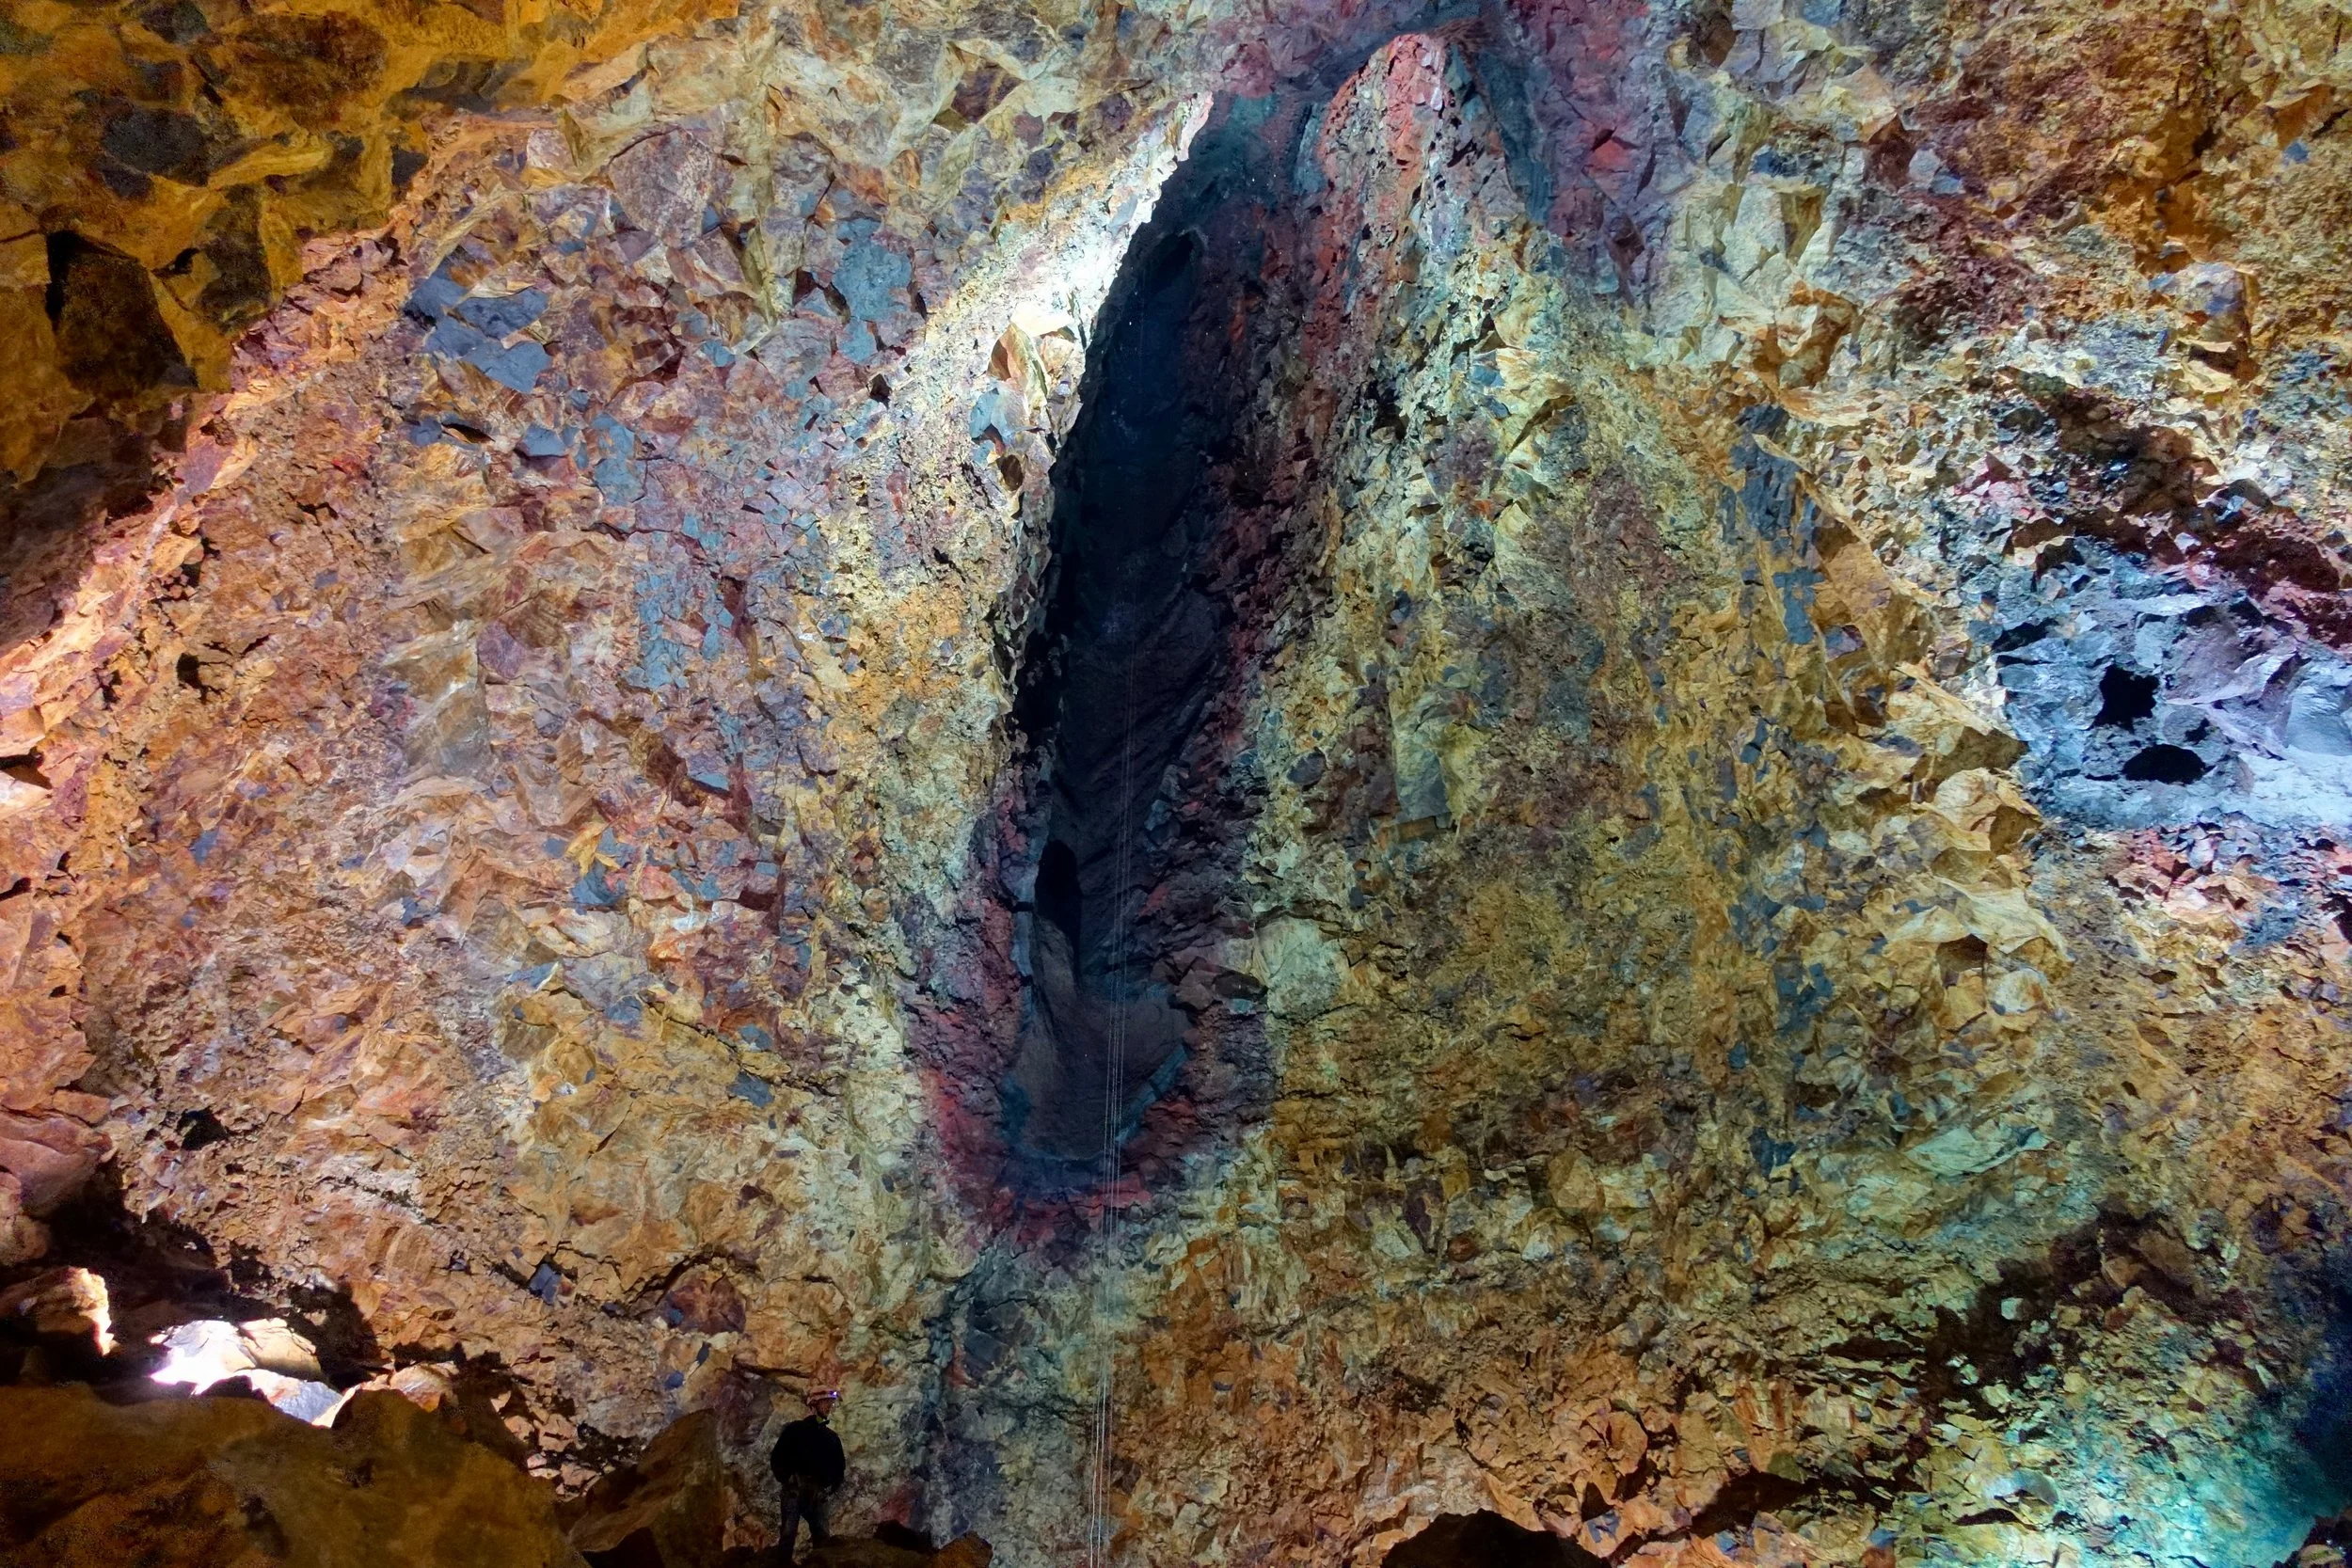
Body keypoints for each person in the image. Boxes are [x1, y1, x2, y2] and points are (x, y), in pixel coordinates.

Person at [770, 1387, 846, 1565]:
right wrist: (788, 1478)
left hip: (817, 1491)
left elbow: (839, 1467)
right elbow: (778, 1457)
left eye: (831, 1403)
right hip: (795, 1489)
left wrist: (830, 1486)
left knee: (822, 1534)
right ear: (814, 1405)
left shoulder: (831, 1437)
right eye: (826, 1402)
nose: (829, 1406)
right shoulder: (796, 1430)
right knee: (788, 1534)